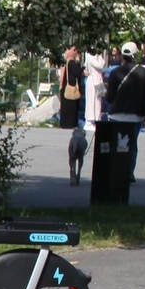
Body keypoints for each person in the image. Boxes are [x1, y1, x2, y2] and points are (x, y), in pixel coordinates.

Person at [92, 41, 145, 205]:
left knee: (115, 145)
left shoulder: (115, 73)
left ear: (122, 55)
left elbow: (109, 97)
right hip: (134, 116)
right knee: (131, 145)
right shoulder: (143, 73)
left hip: (116, 114)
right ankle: (128, 173)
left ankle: (115, 170)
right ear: (135, 55)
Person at [57, 44, 89, 184]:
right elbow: (76, 73)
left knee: (69, 109)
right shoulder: (71, 62)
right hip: (71, 90)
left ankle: (67, 122)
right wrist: (81, 67)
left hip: (68, 90)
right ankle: (68, 123)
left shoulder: (68, 62)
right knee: (70, 109)